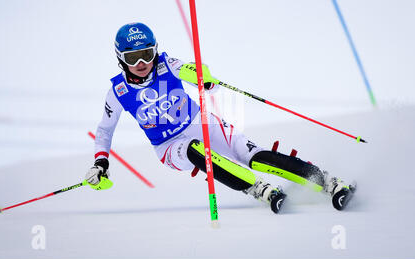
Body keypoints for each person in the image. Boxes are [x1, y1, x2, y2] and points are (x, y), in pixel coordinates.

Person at [85, 22, 355, 213]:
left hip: (201, 123)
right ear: (121, 59)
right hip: (168, 147)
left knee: (254, 155)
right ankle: (258, 189)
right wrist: (101, 163)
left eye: (146, 54)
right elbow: (105, 131)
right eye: (133, 58)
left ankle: (326, 182)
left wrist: (205, 80)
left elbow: (194, 69)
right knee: (194, 151)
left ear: (155, 51)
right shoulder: (117, 92)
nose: (141, 63)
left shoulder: (167, 64)